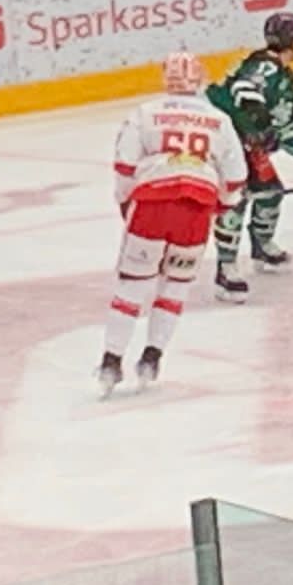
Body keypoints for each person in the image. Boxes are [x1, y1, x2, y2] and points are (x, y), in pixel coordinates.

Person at [97, 52, 248, 396]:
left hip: (151, 203)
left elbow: (124, 167)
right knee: (175, 285)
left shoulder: (144, 113)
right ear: (200, 79)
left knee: (132, 285)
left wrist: (127, 204)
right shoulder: (219, 120)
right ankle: (151, 358)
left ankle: (111, 362)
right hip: (197, 207)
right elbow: (236, 178)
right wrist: (221, 205)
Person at [204, 11, 293, 300]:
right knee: (235, 199)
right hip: (224, 139)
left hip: (243, 142)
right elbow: (243, 89)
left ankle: (261, 247)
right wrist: (258, 117)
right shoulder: (266, 65)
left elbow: (284, 129)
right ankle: (226, 269)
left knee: (269, 191)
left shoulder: (284, 77)